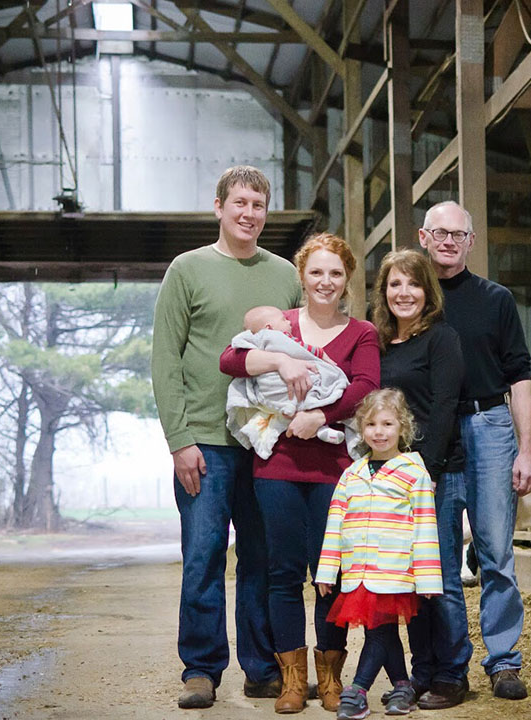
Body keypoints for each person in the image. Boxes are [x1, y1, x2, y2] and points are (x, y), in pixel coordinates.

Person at [151, 165, 300, 709]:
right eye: (239, 202)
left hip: (267, 442)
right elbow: (165, 359)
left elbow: (300, 351)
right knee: (205, 555)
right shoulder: (186, 270)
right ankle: (201, 668)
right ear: (219, 207)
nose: (248, 213)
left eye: (258, 205)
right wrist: (179, 439)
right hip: (206, 442)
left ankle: (261, 667)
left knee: (263, 558)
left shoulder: (285, 275)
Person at [219, 232, 380, 714]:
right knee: (283, 573)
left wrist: (320, 417)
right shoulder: (280, 326)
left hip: (335, 472)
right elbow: (231, 359)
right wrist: (279, 358)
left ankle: (331, 679)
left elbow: (368, 386)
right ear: (301, 277)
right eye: (316, 272)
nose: (325, 282)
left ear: (346, 279)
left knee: (328, 573)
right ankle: (293, 680)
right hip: (278, 468)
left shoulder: (362, 333)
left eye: (335, 273)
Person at [418, 200, 531, 700]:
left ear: (471, 242)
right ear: (422, 237)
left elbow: (521, 379)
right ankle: (452, 668)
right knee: (441, 558)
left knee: (495, 550)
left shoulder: (497, 300)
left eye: (458, 234)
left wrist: (526, 449)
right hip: (433, 433)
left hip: (490, 425)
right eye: (439, 233)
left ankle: (504, 661)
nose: (449, 241)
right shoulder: (410, 299)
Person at [370, 249, 472, 709]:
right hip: (394, 478)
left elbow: (446, 406)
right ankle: (423, 671)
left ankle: (452, 674)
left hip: (436, 474)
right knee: (410, 579)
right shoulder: (380, 342)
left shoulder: (441, 339)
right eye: (395, 284)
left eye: (412, 284)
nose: (403, 293)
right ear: (383, 291)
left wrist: (423, 472)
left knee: (443, 577)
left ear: (427, 291)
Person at [315, 388, 443, 719]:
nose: (379, 431)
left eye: (387, 423)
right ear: (361, 428)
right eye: (371, 424)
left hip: (395, 570)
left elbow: (425, 529)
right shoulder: (350, 475)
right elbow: (334, 527)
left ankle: (356, 690)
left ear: (403, 427)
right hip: (358, 572)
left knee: (380, 631)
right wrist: (327, 572)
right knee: (381, 631)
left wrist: (428, 578)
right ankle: (402, 686)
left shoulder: (414, 473)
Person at [225, 305, 351, 459]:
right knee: (313, 389)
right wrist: (320, 354)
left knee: (285, 411)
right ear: (269, 327)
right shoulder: (280, 337)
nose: (289, 322)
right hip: (276, 384)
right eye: (284, 320)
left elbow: (238, 346)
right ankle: (321, 428)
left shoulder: (253, 341)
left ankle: (318, 428)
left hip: (272, 394)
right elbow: (302, 349)